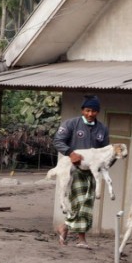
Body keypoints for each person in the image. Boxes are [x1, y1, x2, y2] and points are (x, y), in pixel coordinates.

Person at [50, 95, 110, 246]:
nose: (90, 114)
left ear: (98, 112)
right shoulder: (71, 124)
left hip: (92, 173)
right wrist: (71, 153)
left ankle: (64, 227)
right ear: (83, 110)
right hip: (74, 170)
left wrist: (104, 168)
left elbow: (105, 151)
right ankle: (81, 239)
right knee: (80, 202)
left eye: (94, 111)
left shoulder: (102, 129)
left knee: (88, 203)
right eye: (88, 110)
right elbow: (58, 141)